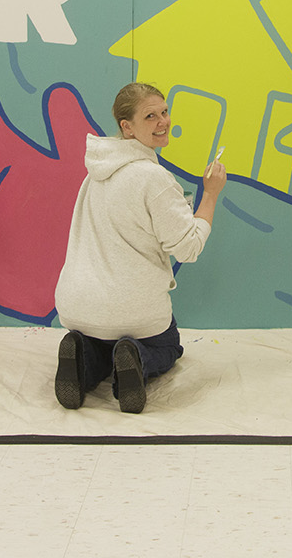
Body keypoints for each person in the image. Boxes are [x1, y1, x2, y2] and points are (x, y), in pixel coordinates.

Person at [52, 82, 228, 413]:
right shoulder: (153, 179)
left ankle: (83, 355)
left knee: (104, 339)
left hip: (76, 307)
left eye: (164, 112)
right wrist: (211, 194)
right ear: (127, 127)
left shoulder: (94, 176)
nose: (163, 121)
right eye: (151, 116)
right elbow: (188, 248)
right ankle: (137, 360)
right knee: (168, 344)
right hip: (133, 309)